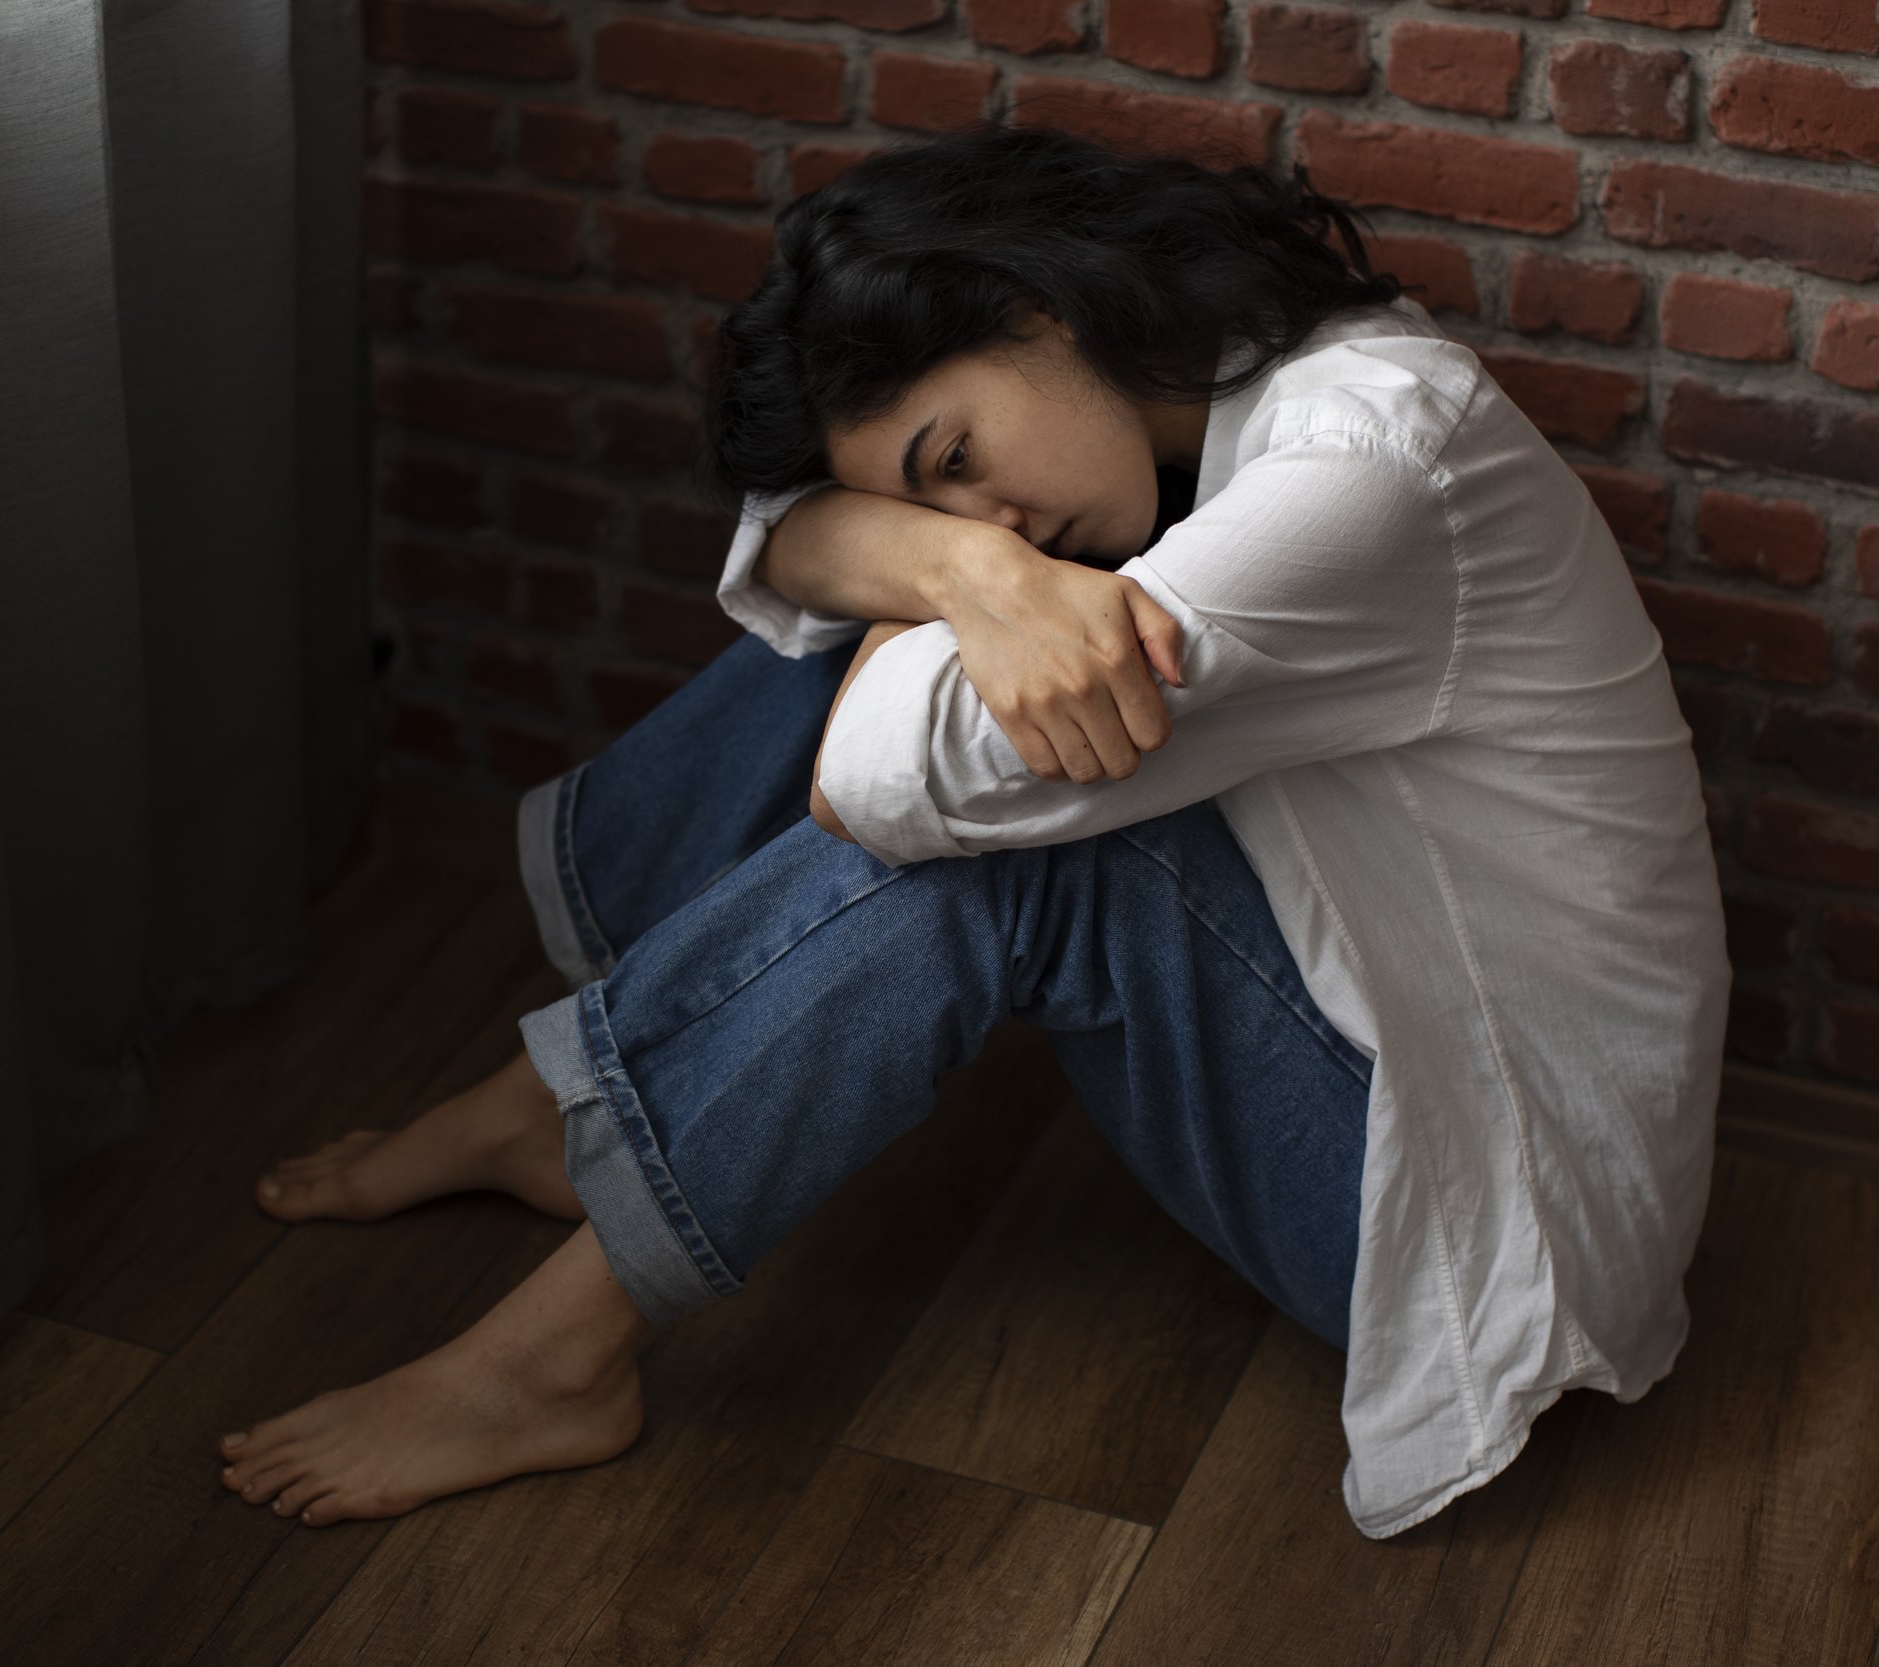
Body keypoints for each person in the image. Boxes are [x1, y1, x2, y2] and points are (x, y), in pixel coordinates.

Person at [214, 125, 1730, 1535]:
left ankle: (552, 1356)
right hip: (1361, 1022)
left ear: (1038, 307)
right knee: (885, 638)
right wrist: (960, 565)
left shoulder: (1368, 470)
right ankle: (562, 1099)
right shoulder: (1193, 398)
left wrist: (946, 572)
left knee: (1020, 853)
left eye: (955, 456)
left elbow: (874, 780)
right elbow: (791, 543)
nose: (989, 521)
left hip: (1479, 1208)